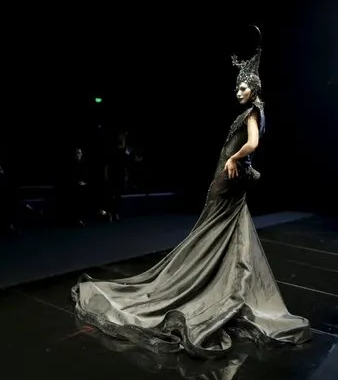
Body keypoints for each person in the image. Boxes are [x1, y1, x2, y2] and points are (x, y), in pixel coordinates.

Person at [71, 27, 311, 359]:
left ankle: (212, 286)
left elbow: (253, 143)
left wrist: (233, 157)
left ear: (254, 89)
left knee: (216, 228)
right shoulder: (250, 111)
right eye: (237, 85)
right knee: (220, 229)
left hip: (230, 176)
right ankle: (222, 282)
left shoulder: (253, 112)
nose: (237, 90)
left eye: (243, 86)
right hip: (230, 178)